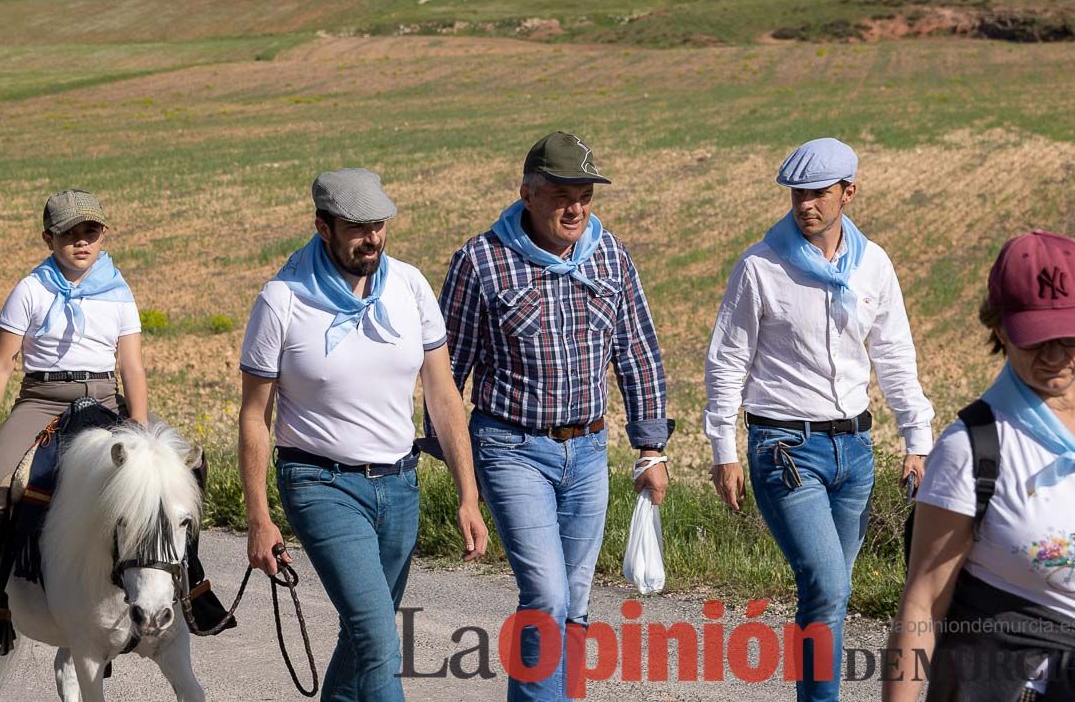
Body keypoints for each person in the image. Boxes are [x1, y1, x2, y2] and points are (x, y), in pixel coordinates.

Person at [430, 132, 671, 702]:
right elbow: (445, 375)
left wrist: (651, 448)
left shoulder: (609, 255)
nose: (576, 208)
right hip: (510, 448)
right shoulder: (480, 261)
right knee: (546, 598)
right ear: (528, 194)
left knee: (577, 601)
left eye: (585, 195)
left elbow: (638, 351)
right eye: (562, 194)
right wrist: (464, 478)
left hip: (588, 451)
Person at [238, 168, 488, 702]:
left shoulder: (411, 286)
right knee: (379, 642)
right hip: (319, 483)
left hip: (399, 488)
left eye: (379, 224)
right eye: (357, 228)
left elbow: (443, 396)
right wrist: (258, 517)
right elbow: (254, 416)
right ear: (323, 227)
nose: (372, 238)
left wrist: (469, 493)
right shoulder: (282, 300)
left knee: (361, 643)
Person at [704, 137, 934, 702]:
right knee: (827, 585)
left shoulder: (873, 264)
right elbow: (726, 361)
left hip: (854, 449)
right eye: (797, 193)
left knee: (831, 593)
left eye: (818, 193)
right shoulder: (761, 266)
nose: (805, 203)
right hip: (784, 447)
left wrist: (917, 437)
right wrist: (723, 449)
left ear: (848, 193)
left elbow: (895, 354)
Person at [0, 190, 230, 657]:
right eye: (68, 234)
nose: (80, 242)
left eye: (90, 232)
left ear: (103, 235)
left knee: (187, 468)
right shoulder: (31, 289)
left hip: (106, 397)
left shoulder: (118, 290)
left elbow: (132, 366)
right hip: (43, 399)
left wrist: (141, 428)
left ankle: (194, 586)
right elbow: (2, 366)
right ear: (49, 238)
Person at [885, 230, 1075, 702]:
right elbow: (923, 602)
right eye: (1035, 340)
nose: (1054, 356)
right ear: (1000, 330)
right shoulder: (973, 448)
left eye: (1069, 337)